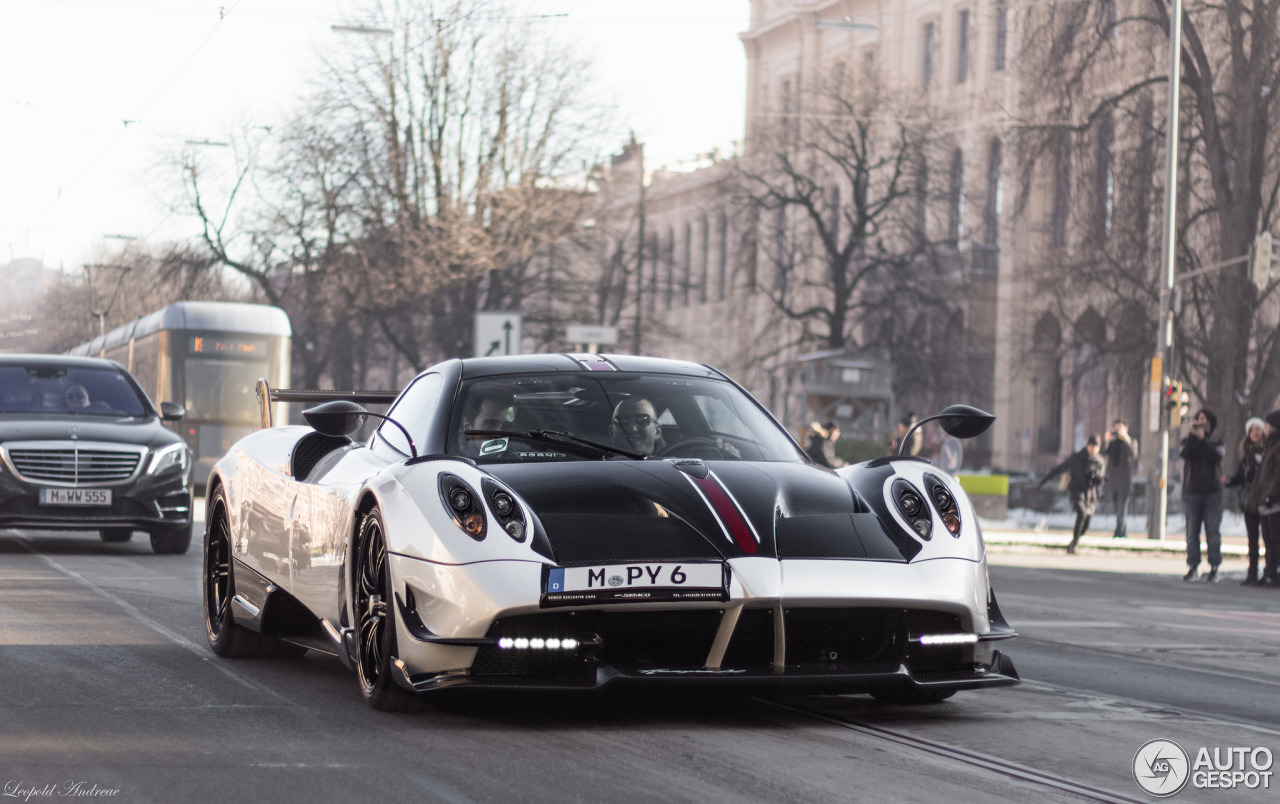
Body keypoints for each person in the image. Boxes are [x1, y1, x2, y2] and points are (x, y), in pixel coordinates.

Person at [1180, 407, 1226, 582]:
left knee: (1212, 531)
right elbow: (1185, 453)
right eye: (1198, 419)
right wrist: (1194, 437)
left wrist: (1203, 439)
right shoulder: (1189, 440)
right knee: (1192, 531)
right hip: (1193, 492)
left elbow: (1216, 457)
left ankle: (1214, 565)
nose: (1200, 422)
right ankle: (1193, 565)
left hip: (1212, 492)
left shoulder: (1216, 441)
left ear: (1210, 422)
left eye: (1204, 419)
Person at [1039, 435, 1106, 554]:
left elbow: (1101, 478)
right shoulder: (1077, 457)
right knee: (1081, 513)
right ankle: (1074, 544)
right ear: (1087, 446)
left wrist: (1098, 478)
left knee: (1086, 522)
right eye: (1092, 446)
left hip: (1090, 495)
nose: (1094, 449)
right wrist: (1045, 480)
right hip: (1077, 491)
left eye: (1096, 447)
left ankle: (1074, 541)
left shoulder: (1099, 461)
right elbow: (1061, 468)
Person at [1223, 416, 1267, 585]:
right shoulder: (1246, 453)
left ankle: (1269, 571)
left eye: (1257, 429)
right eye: (1251, 430)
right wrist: (1229, 481)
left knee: (1269, 538)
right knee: (1252, 538)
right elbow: (1242, 476)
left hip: (1265, 499)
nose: (1254, 433)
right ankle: (1252, 572)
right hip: (1250, 501)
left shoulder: (1268, 450)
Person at [1254, 411, 1280, 586]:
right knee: (1268, 539)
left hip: (1275, 502)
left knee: (1276, 539)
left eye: (1268, 425)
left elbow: (1277, 474)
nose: (1265, 428)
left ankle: (1274, 572)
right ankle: (1269, 572)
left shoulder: (1277, 446)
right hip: (1266, 500)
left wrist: (1271, 495)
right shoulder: (1269, 445)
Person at [1103, 419, 1137, 539]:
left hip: (1125, 481)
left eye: (1119, 428)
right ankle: (1122, 531)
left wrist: (1125, 438)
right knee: (1117, 507)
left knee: (1122, 508)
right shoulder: (1112, 443)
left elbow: (1133, 455)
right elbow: (1104, 452)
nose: (1117, 431)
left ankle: (1120, 532)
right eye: (1115, 428)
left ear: (1125, 429)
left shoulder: (1131, 442)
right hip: (1113, 481)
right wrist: (1107, 440)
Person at [458, 388, 515, 456]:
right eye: (490, 424)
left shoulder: (516, 461)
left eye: (507, 425)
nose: (500, 434)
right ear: (467, 427)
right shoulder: (453, 461)